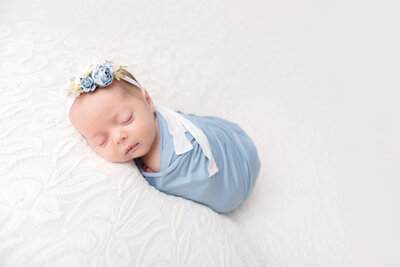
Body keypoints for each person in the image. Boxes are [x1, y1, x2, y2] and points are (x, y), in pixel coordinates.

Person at [67, 60, 261, 213]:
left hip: (234, 149)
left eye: (126, 119)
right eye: (102, 140)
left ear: (148, 101)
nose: (119, 137)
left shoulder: (177, 142)